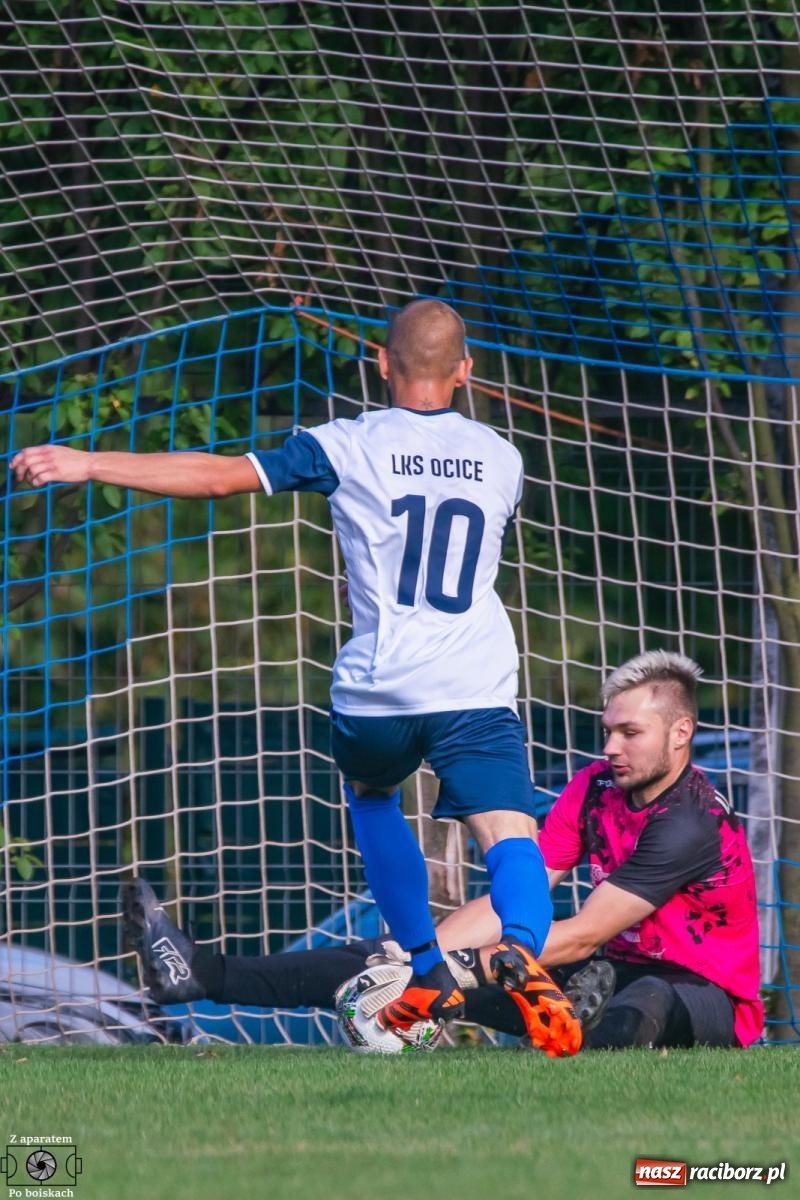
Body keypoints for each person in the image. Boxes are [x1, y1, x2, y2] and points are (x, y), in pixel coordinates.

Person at [11, 298, 580, 1058]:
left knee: (375, 795)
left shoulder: (343, 444)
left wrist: (89, 462)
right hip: (474, 683)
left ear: (380, 363)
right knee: (510, 834)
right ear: (466, 372)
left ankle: (421, 965)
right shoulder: (504, 457)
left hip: (380, 689)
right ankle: (520, 949)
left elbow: (218, 479)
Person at [121, 649, 763, 1050]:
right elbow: (525, 889)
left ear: (681, 733)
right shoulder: (595, 786)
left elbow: (578, 936)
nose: (612, 748)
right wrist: (419, 961)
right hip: (601, 967)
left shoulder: (691, 822)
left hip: (700, 993)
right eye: (608, 732)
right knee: (389, 954)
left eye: (630, 733)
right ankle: (202, 973)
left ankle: (585, 1031)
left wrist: (445, 974)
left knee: (639, 1007)